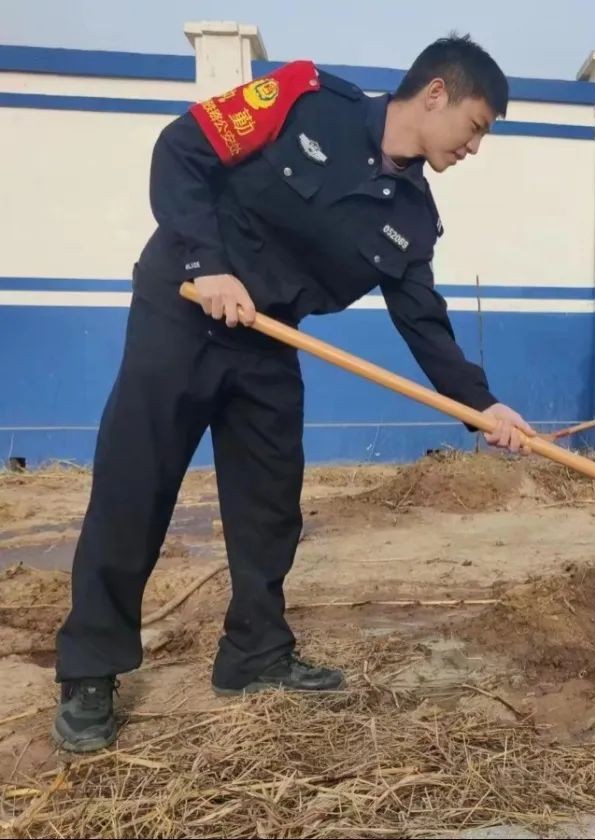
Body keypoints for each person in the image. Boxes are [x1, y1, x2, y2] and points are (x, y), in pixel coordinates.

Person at [52, 35, 535, 753]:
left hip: (270, 336)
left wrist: (481, 406)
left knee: (272, 505)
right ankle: (90, 671)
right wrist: (208, 264)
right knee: (135, 487)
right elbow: (181, 148)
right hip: (183, 308)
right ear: (437, 93)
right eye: (476, 126)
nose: (474, 147)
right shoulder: (305, 100)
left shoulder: (410, 218)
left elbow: (424, 324)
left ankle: (254, 654)